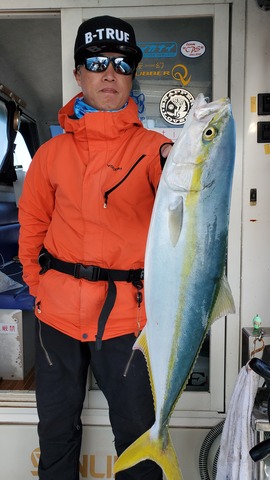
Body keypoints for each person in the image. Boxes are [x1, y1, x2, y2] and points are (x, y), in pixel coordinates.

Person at [18, 15, 172, 480]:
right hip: (57, 316)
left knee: (138, 438)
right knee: (57, 436)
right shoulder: (50, 154)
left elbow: (187, 207)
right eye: (97, 62)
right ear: (79, 74)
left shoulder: (156, 149)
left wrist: (176, 165)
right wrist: (37, 285)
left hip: (129, 320)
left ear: (131, 78)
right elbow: (33, 226)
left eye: (122, 65)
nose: (110, 72)